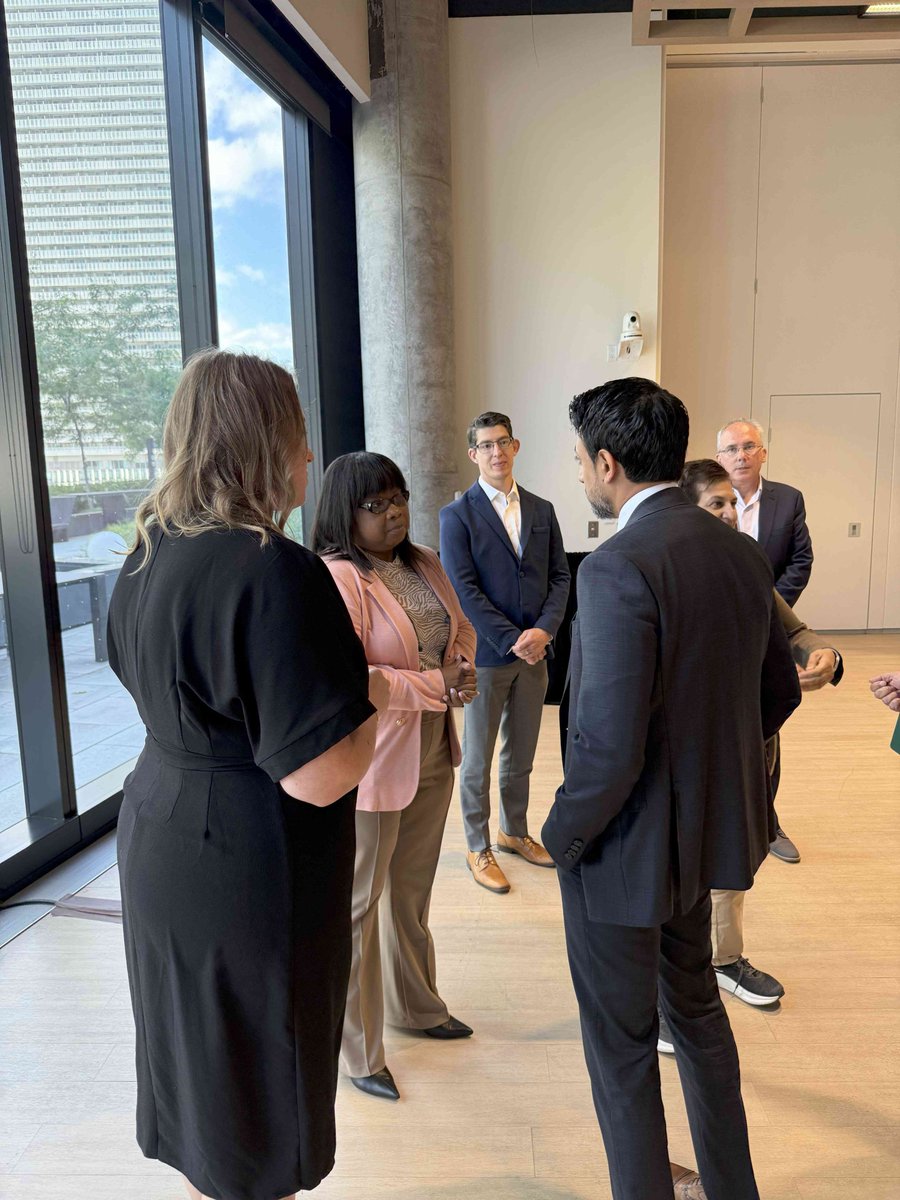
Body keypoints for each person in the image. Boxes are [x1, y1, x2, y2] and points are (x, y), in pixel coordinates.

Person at [107, 350, 386, 1200]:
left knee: (200, 1064)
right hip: (249, 858)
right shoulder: (275, 569)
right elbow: (321, 774)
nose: (309, 460)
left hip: (160, 828)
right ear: (265, 444)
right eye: (300, 439)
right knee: (262, 1074)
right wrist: (371, 693)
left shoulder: (144, 554)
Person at [542, 378, 800, 1200]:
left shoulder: (618, 565)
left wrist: (562, 834)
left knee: (621, 1047)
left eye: (581, 459)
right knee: (697, 1012)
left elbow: (608, 745)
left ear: (607, 463)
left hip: (621, 851)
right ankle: (732, 1187)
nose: (580, 472)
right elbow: (777, 693)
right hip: (701, 843)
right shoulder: (736, 550)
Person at [312, 452, 478, 1103]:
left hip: (434, 747)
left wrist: (458, 665)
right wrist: (439, 682)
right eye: (375, 505)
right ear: (344, 514)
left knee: (410, 892)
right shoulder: (339, 578)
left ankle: (415, 1006)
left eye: (397, 498)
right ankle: (357, 1051)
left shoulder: (423, 562)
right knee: (357, 907)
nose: (393, 513)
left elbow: (455, 626)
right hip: (375, 764)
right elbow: (356, 678)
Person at [657, 459, 842, 1021]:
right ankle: (672, 987)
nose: (730, 512)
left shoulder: (749, 564)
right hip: (686, 749)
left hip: (747, 740)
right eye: (716, 503)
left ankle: (726, 960)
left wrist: (823, 655)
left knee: (735, 856)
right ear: (690, 510)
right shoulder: (666, 569)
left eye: (732, 502)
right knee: (677, 867)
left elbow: (793, 628)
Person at [440, 412, 570, 893]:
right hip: (489, 657)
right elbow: (463, 589)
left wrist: (544, 631)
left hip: (535, 656)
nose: (497, 452)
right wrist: (513, 638)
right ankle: (478, 845)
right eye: (486, 445)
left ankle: (513, 832)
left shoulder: (543, 510)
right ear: (473, 454)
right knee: (477, 757)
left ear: (517, 446)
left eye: (504, 443)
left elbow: (560, 577)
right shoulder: (456, 516)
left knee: (523, 754)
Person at [715, 422, 813, 865]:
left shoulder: (788, 499)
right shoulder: (704, 503)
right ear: (719, 457)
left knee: (769, 721)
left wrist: (772, 608)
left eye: (748, 446)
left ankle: (768, 823)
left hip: (767, 632)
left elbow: (800, 560)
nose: (740, 456)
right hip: (717, 634)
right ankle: (724, 819)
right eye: (731, 449)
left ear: (763, 452)